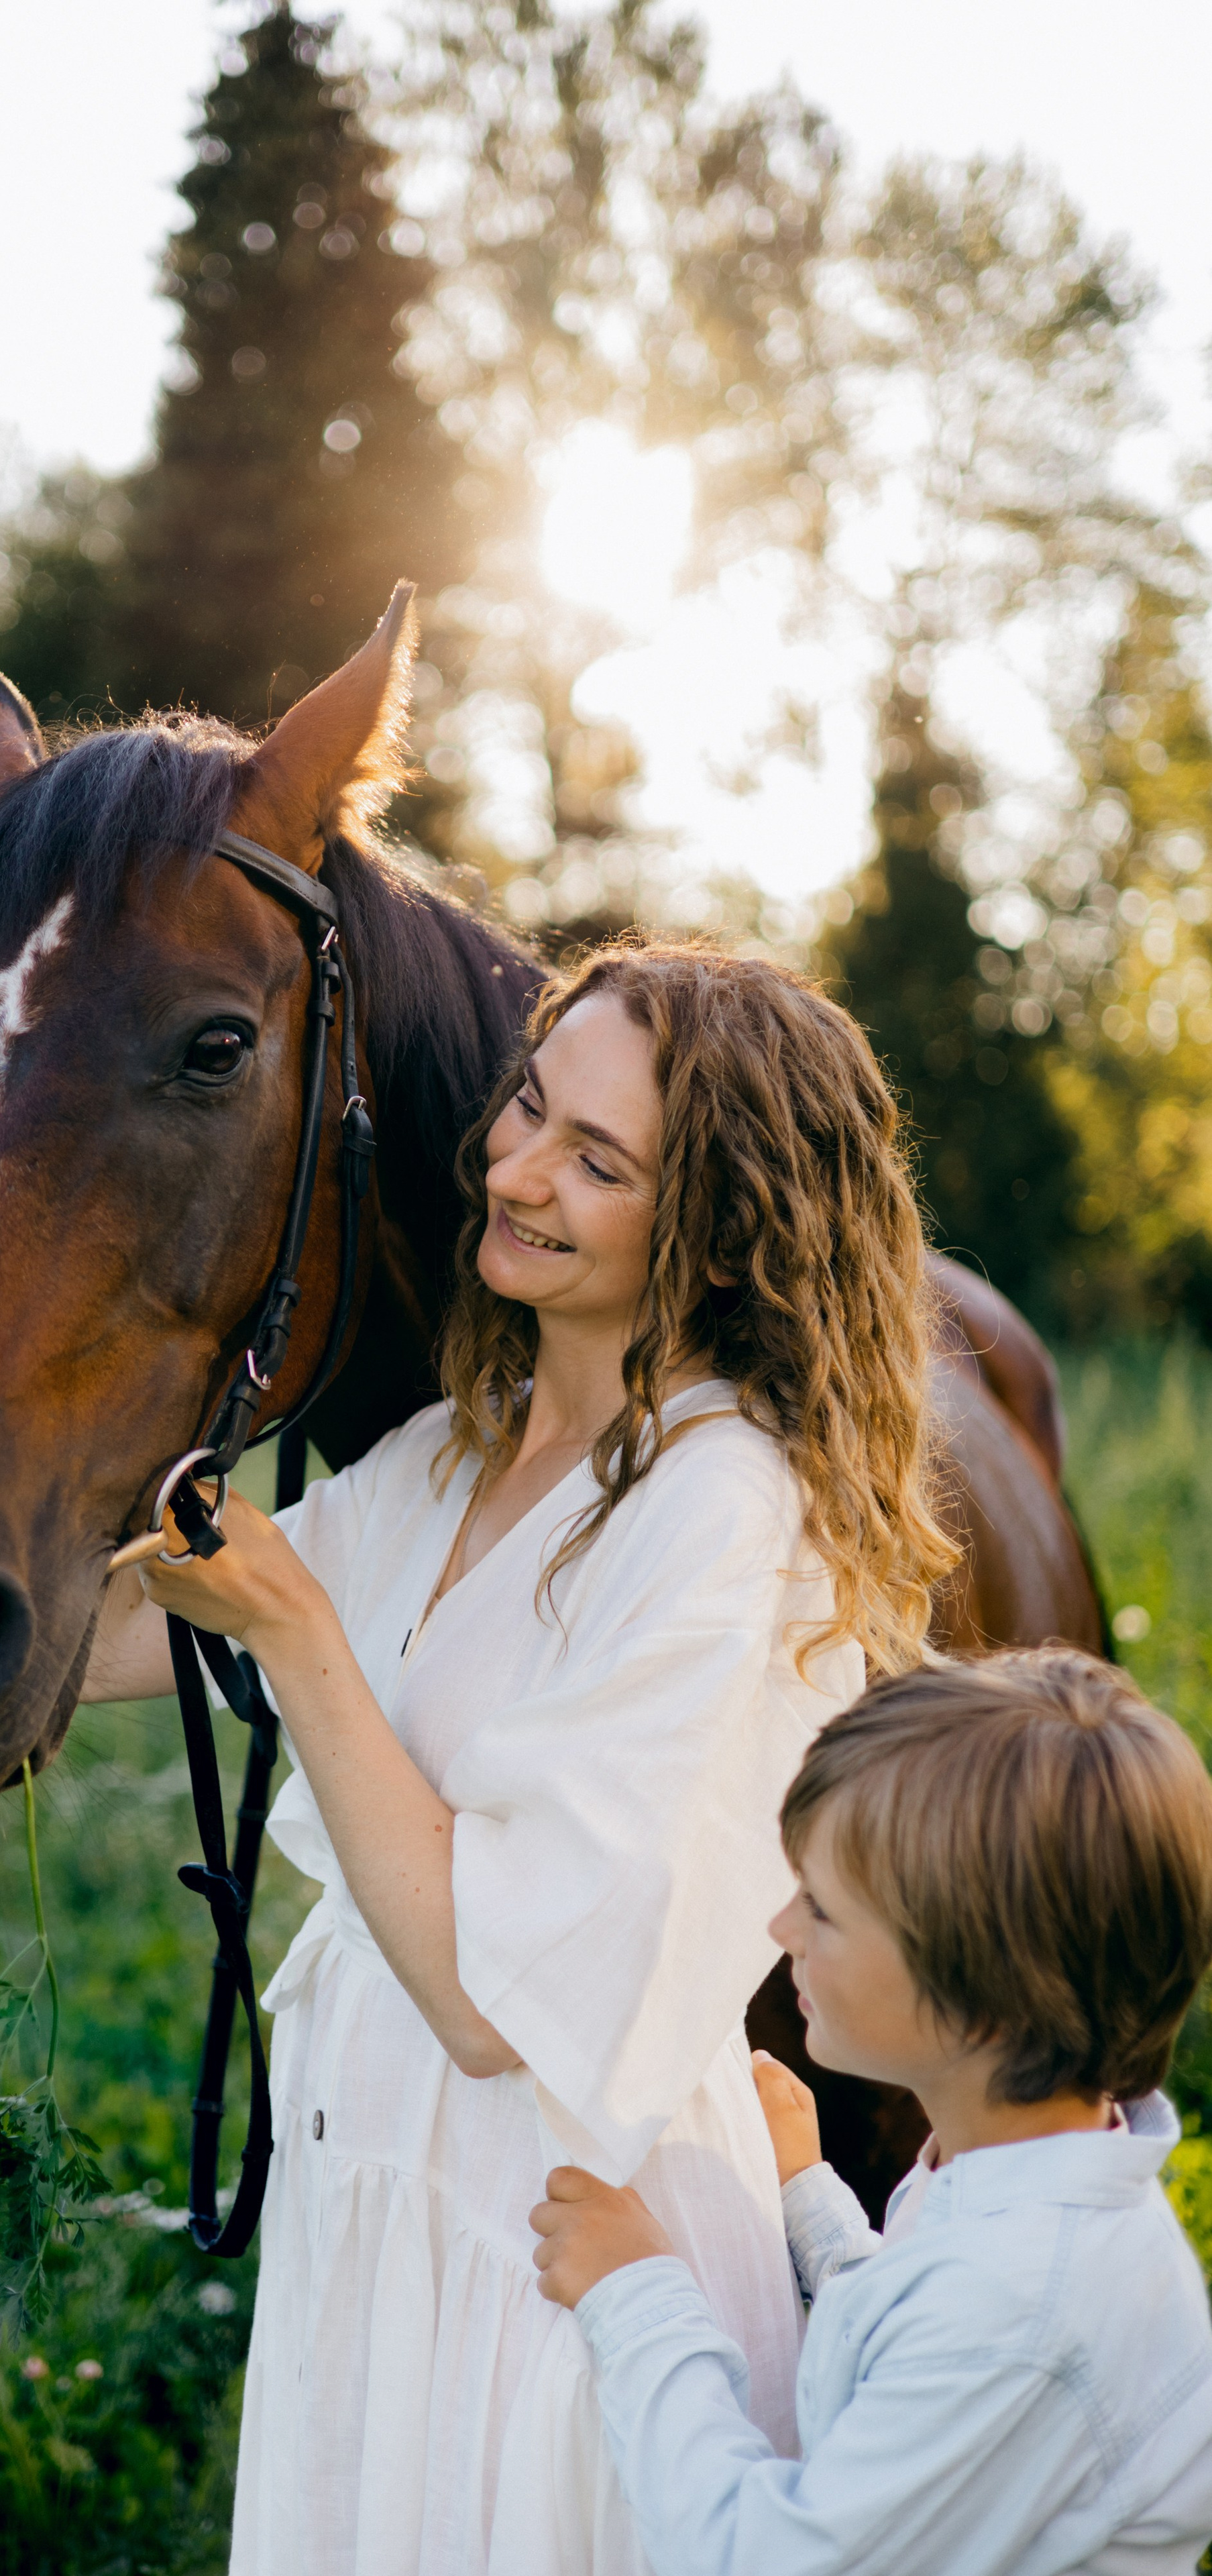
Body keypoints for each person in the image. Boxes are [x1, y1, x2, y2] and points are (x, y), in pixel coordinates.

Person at [84, 938, 956, 2575]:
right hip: (378, 2218)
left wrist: (296, 1634)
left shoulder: (722, 1513)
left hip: (557, 2261)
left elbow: (493, 2005)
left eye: (597, 1161)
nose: (517, 1170)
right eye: (530, 1110)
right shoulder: (453, 1451)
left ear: (714, 1243)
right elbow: (136, 1638)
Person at [531, 1648, 1212, 2576]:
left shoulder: (1022, 2310)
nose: (781, 1931)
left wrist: (637, 2296)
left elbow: (760, 2557)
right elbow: (911, 2343)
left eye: (822, 1910)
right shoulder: (1023, 2184)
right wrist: (813, 2200)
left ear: (981, 1998)